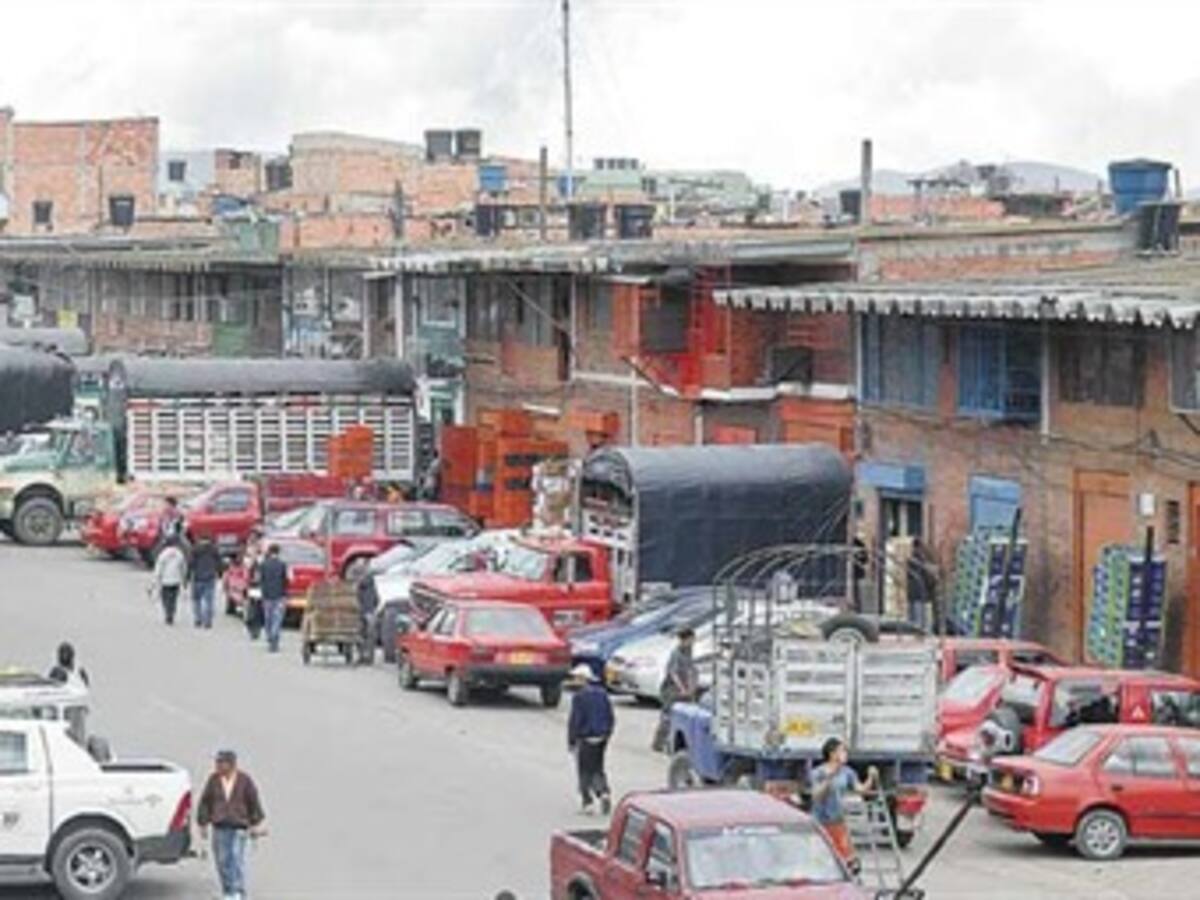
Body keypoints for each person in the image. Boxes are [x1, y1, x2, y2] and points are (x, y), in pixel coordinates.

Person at [197, 749, 266, 900]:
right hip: (220, 826)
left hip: (239, 826)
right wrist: (203, 823)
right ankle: (227, 890)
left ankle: (237, 892)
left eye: (221, 763)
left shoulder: (244, 780)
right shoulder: (213, 780)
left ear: (231, 764)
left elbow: (253, 801)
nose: (218, 766)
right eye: (217, 762)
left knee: (235, 858)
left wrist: (255, 823)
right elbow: (205, 802)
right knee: (222, 860)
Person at [809, 737, 878, 873]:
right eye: (842, 751)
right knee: (820, 859)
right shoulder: (818, 772)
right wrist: (829, 778)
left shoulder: (847, 772)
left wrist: (871, 777)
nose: (845, 754)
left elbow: (861, 789)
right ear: (832, 754)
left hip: (839, 821)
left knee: (848, 861)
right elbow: (816, 795)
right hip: (821, 822)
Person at [567, 664, 615, 815]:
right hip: (602, 737)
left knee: (584, 770)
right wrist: (607, 733)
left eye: (576, 678)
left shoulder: (579, 697)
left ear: (583, 679)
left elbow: (575, 720)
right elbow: (611, 716)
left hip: (586, 737)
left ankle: (587, 802)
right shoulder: (602, 694)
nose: (574, 680)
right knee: (598, 768)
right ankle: (604, 792)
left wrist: (572, 740)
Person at [652, 627, 699, 752]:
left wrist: (691, 686)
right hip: (671, 689)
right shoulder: (676, 653)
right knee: (668, 716)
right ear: (686, 639)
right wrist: (682, 688)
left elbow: (690, 669)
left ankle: (673, 743)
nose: (693, 641)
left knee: (683, 715)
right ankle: (658, 742)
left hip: (684, 688)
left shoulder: (689, 651)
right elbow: (674, 673)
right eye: (692, 639)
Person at [259, 544, 289, 653]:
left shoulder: (264, 565)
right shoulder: (282, 565)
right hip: (279, 594)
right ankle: (274, 636)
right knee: (277, 618)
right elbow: (285, 580)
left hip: (267, 595)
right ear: (278, 552)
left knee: (268, 618)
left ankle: (269, 635)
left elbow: (261, 579)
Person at [153, 539, 189, 626]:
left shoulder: (163, 554)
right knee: (173, 598)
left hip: (165, 580)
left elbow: (159, 567)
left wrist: (157, 577)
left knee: (165, 598)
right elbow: (183, 567)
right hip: (176, 580)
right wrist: (184, 577)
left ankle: (168, 612)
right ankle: (172, 612)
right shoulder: (179, 554)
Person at [190, 535, 223, 629]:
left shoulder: (195, 549)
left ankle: (198, 619)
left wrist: (187, 576)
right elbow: (219, 563)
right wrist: (220, 574)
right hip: (210, 577)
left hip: (198, 577)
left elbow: (191, 563)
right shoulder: (214, 549)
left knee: (196, 600)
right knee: (209, 601)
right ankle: (208, 621)